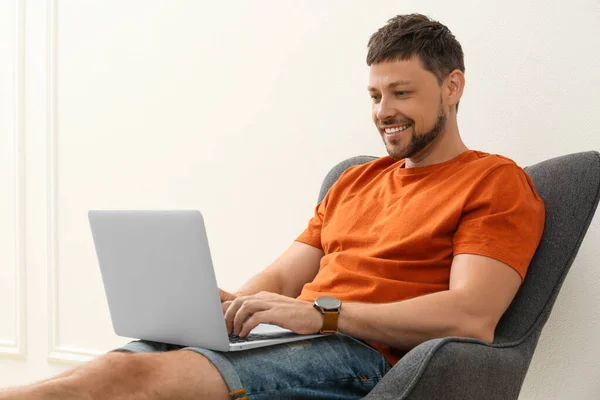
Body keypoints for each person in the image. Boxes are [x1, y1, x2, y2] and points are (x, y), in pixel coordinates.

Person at [0, 13, 545, 400]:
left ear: (453, 87)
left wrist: (324, 315)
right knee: (98, 372)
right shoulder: (356, 181)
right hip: (296, 337)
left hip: (358, 356)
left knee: (120, 386)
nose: (384, 112)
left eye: (402, 94)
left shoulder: (494, 182)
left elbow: (472, 317)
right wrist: (231, 307)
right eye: (375, 96)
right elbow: (287, 274)